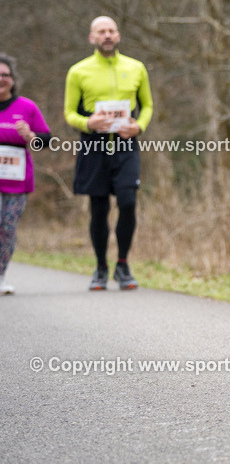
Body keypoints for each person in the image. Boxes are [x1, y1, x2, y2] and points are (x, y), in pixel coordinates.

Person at [64, 16, 154, 291]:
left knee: (128, 202)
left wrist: (139, 126)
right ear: (92, 37)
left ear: (118, 36)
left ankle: (123, 265)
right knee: (99, 208)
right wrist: (87, 123)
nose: (107, 35)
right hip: (94, 145)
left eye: (111, 31)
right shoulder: (78, 71)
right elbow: (69, 113)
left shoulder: (136, 67)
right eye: (101, 31)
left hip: (126, 145)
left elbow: (148, 105)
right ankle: (101, 267)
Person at [0, 54, 52, 295]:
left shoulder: (27, 107)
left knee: (7, 229)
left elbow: (47, 141)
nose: (1, 79)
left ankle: (0, 276)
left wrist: (31, 136)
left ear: (13, 79)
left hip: (17, 181)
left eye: (5, 75)